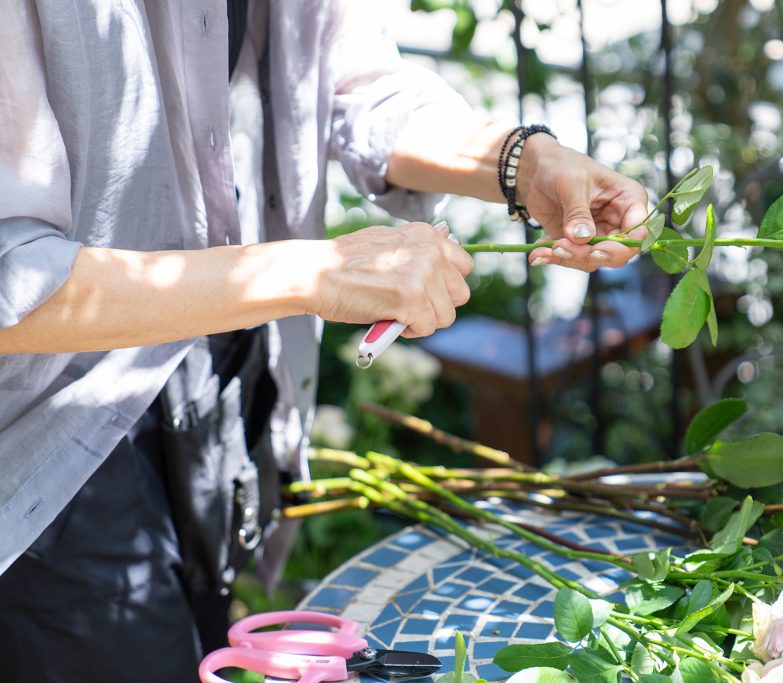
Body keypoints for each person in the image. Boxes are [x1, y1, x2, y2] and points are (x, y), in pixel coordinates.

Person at [0, 2, 648, 682]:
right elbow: (13, 284)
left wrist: (524, 161)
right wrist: (314, 272)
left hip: (212, 390)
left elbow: (353, 80)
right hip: (48, 451)